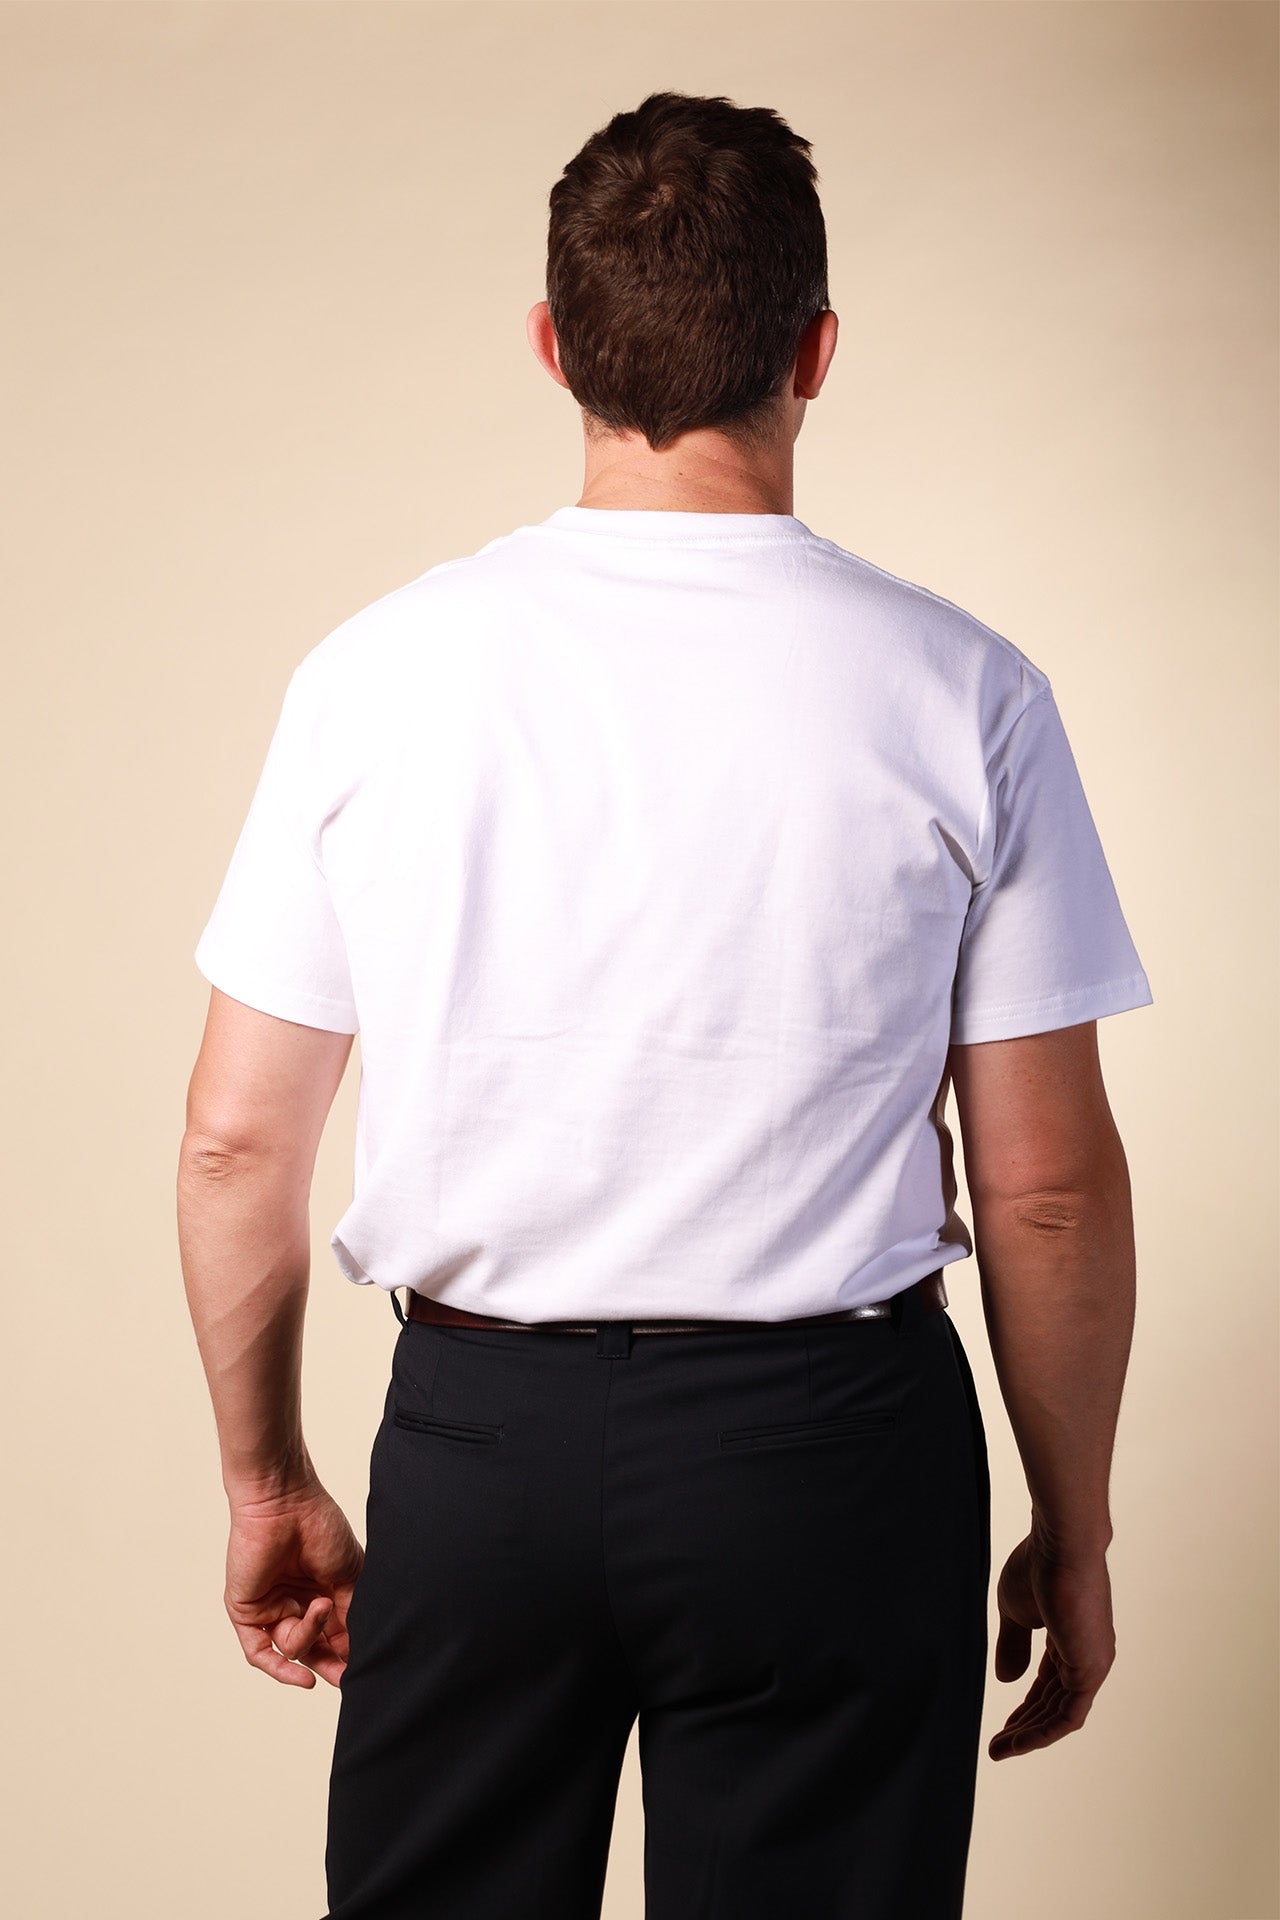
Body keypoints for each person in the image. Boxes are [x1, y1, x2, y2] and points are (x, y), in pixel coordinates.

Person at [177, 90, 1153, 1920]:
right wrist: (1075, 1526)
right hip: (832, 1456)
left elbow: (239, 1142)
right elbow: (1042, 1187)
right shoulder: (967, 690)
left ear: (555, 346)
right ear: (816, 353)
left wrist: (265, 1480)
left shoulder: (374, 676)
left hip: (479, 1445)